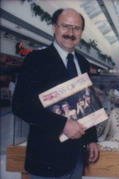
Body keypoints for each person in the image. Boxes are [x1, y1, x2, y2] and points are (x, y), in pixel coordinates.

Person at [12, 8, 99, 179]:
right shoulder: (36, 60)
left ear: (81, 32)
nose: (70, 33)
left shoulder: (83, 63)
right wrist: (62, 124)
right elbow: (20, 105)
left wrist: (91, 139)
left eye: (76, 28)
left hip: (76, 159)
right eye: (65, 26)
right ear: (54, 27)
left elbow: (86, 103)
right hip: (46, 160)